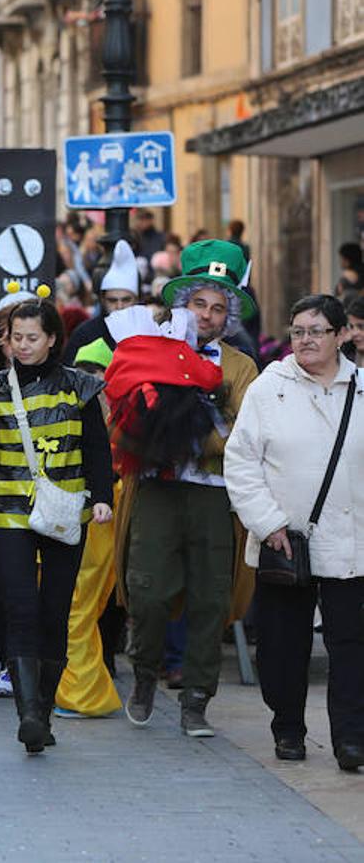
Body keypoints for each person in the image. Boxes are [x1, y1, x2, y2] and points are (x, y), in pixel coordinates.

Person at [0, 298, 113, 753]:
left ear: (51, 340)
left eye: (31, 338)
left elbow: (96, 450)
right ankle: (27, 715)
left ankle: (43, 710)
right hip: (7, 515)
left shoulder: (80, 388)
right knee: (20, 606)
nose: (21, 347)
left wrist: (101, 496)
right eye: (14, 338)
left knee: (55, 609)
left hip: (66, 512)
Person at [119, 240, 259, 738]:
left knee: (210, 597)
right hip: (158, 488)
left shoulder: (241, 367)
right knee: (148, 591)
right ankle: (144, 673)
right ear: (183, 305)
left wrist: (198, 436)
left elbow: (245, 434)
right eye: (200, 303)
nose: (208, 315)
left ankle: (197, 698)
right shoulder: (150, 348)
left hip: (214, 496)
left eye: (219, 307)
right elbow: (122, 411)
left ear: (229, 315)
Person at [225, 294, 364, 771]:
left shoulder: (362, 389)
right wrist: (267, 522)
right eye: (298, 331)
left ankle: (351, 739)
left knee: (352, 644)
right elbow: (241, 461)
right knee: (284, 645)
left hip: (353, 541)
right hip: (286, 541)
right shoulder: (270, 388)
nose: (305, 340)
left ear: (342, 335)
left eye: (316, 331)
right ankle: (287, 727)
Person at [54, 338, 123, 719]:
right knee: (76, 606)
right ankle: (81, 687)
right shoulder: (71, 410)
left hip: (98, 522)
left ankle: (83, 693)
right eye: (84, 373)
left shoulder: (121, 420)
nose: (90, 381)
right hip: (75, 519)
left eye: (98, 374)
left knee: (77, 605)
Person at [63, 239, 141, 363]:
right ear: (103, 301)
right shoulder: (85, 334)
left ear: (136, 300)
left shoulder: (147, 332)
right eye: (112, 300)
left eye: (126, 300)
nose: (119, 306)